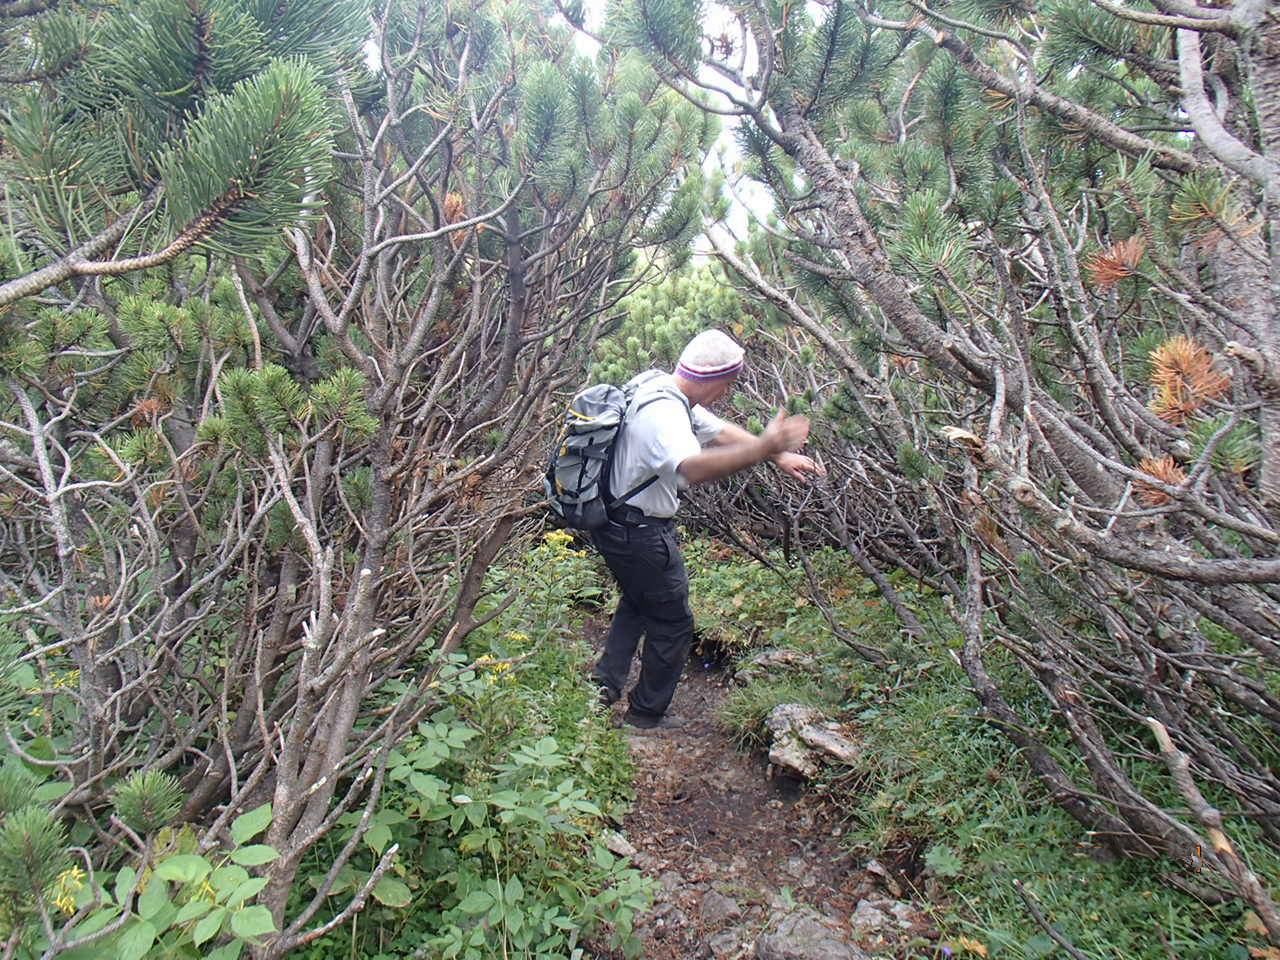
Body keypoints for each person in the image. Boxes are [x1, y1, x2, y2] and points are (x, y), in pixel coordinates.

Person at [591, 329, 824, 729]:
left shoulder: (660, 386)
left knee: (637, 600)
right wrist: (762, 448)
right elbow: (691, 468)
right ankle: (644, 718)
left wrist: (778, 455)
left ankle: (601, 690)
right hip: (640, 533)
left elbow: (716, 430)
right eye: (729, 384)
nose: (727, 393)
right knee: (673, 622)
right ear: (716, 379)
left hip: (616, 522)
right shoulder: (664, 413)